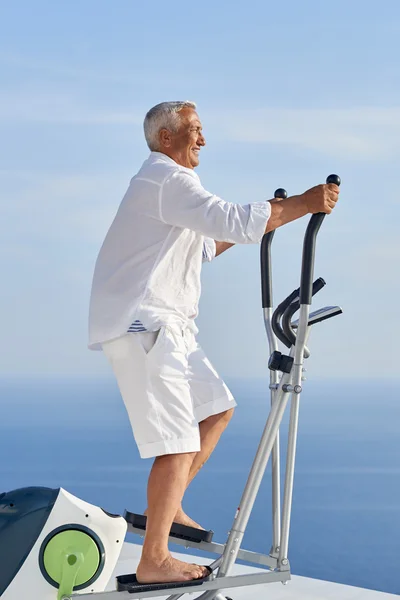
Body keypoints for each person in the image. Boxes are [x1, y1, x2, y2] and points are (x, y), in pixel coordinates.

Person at [88, 100, 339, 585]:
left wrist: (276, 217)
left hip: (170, 327)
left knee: (216, 410)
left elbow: (207, 242)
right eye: (194, 130)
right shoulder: (165, 178)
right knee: (178, 440)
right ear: (167, 138)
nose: (203, 139)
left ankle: (169, 506)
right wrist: (302, 204)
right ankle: (154, 558)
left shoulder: (170, 188)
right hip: (145, 326)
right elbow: (232, 220)